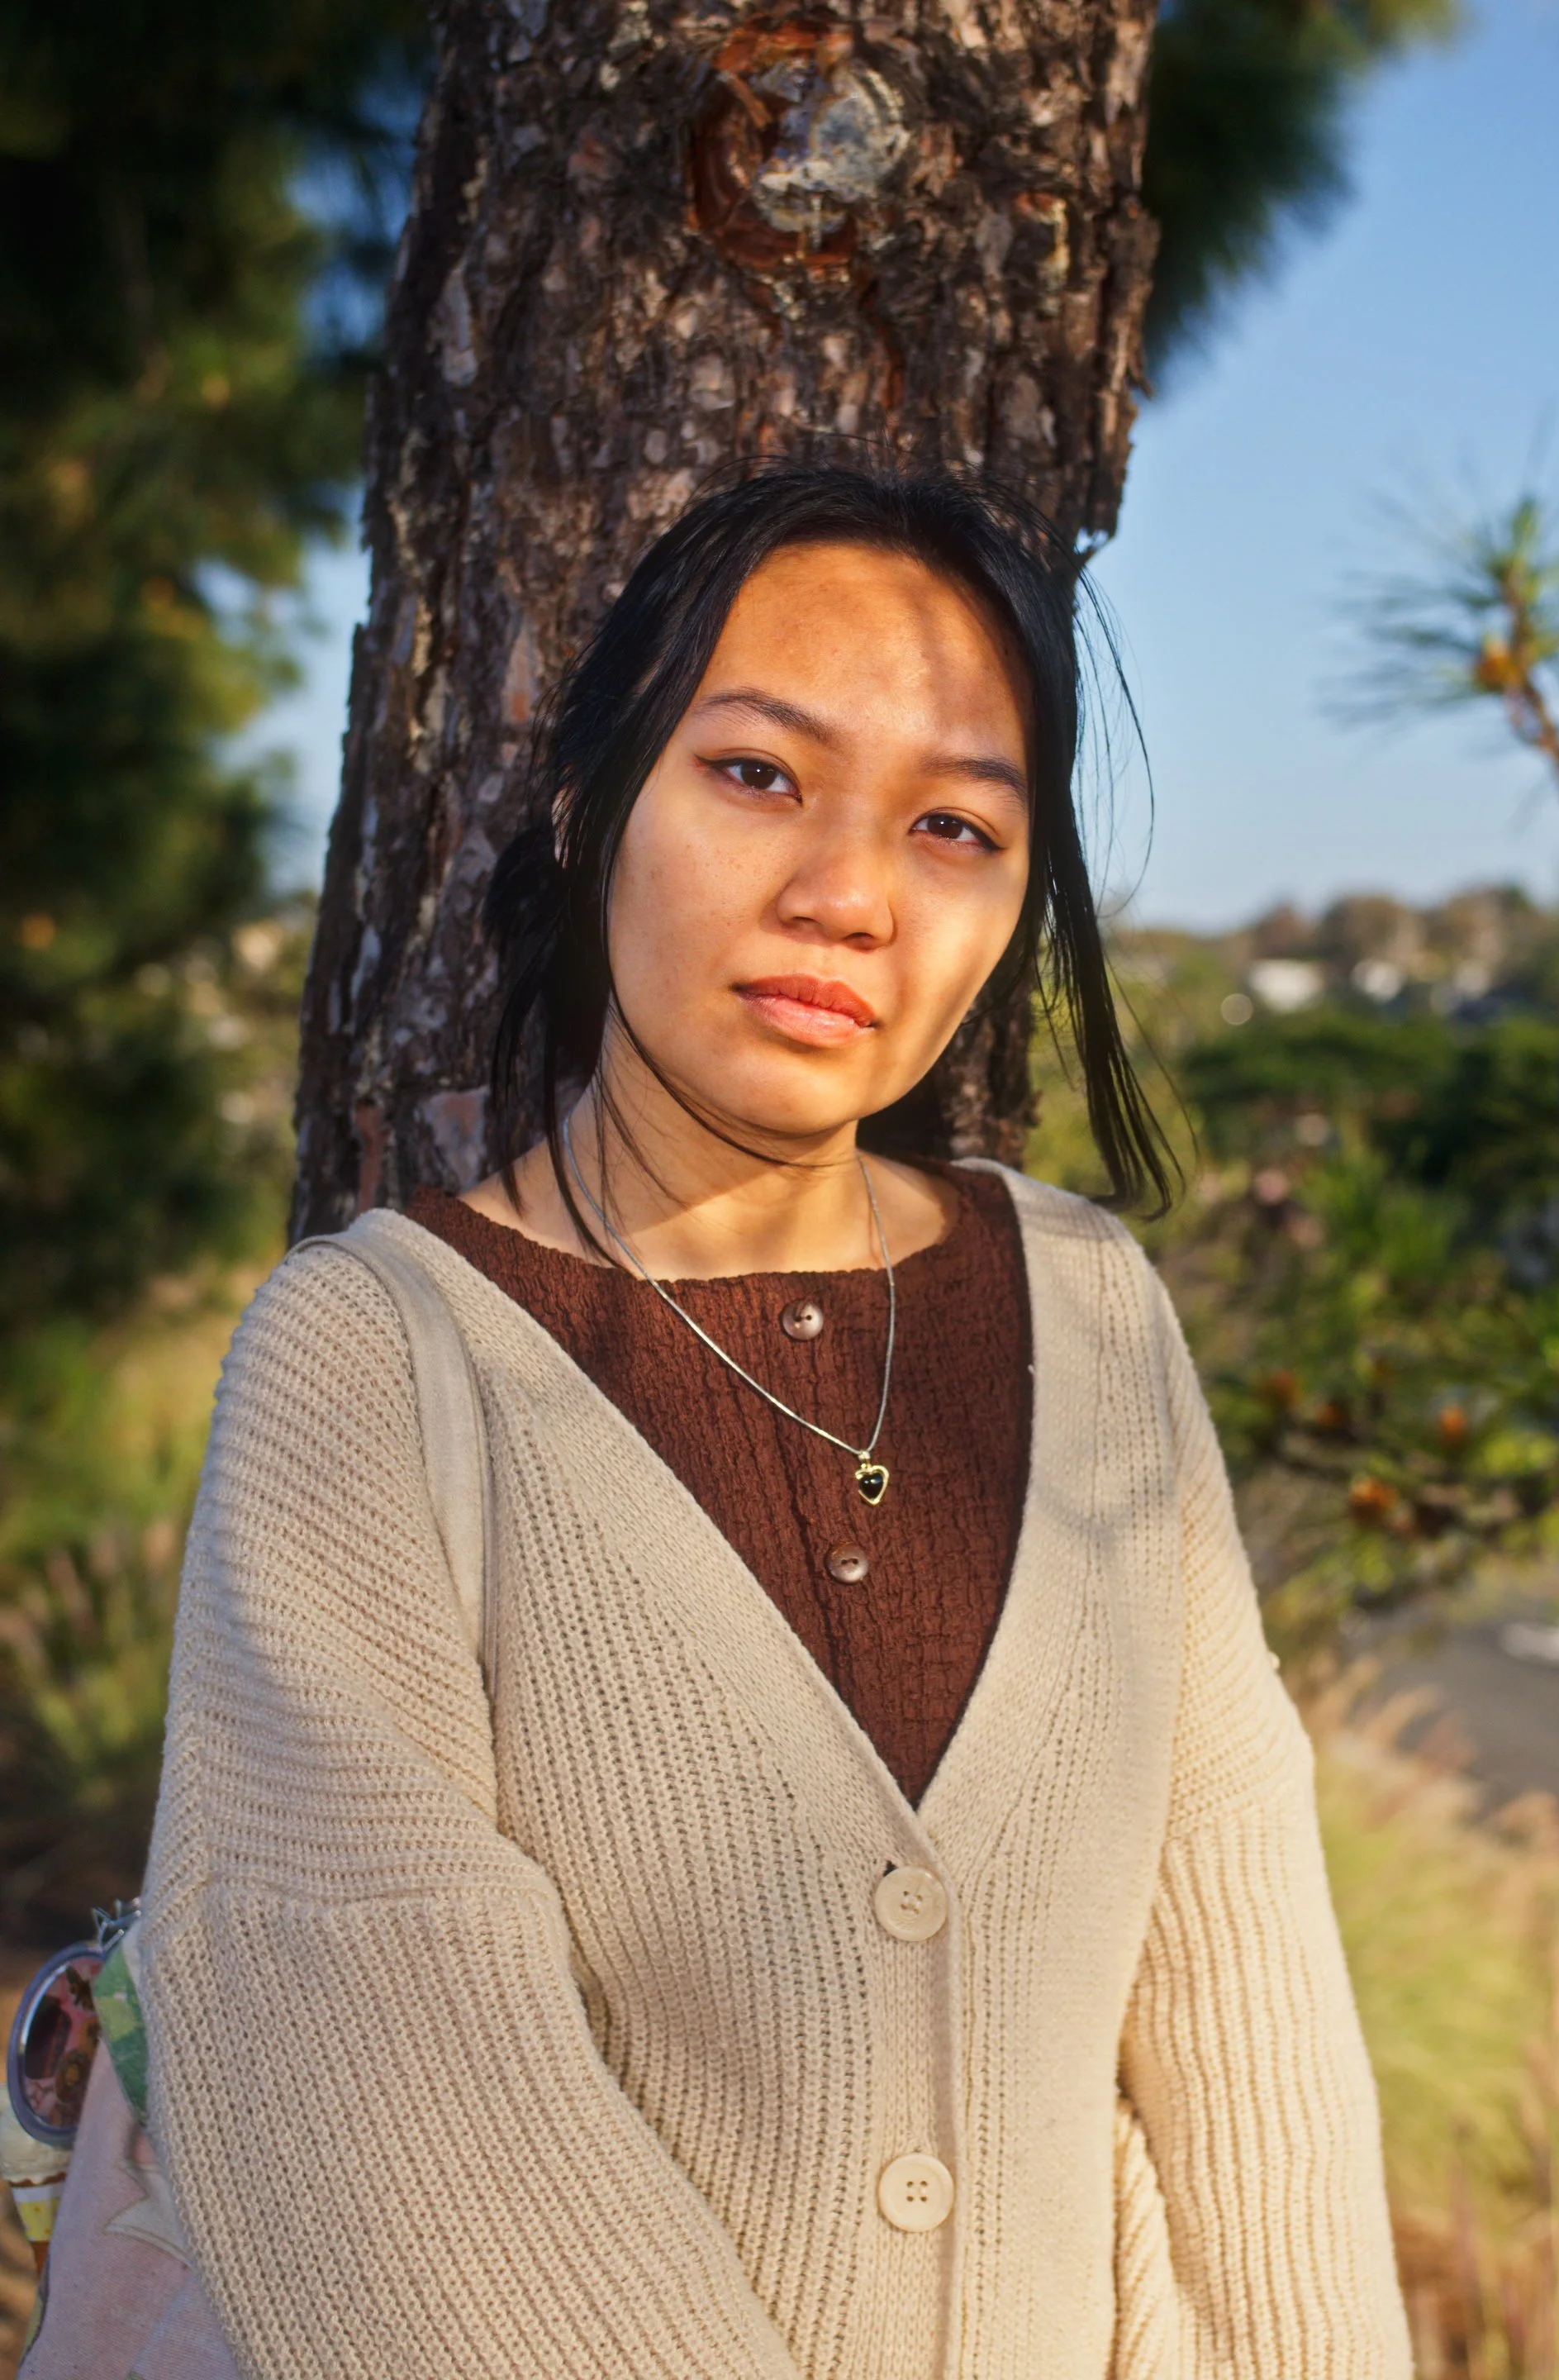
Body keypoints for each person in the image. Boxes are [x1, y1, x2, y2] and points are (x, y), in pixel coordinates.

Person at [140, 464, 1410, 2378]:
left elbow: (1250, 2027)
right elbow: (406, 2123)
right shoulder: (376, 1372)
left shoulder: (1094, 1318)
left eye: (956, 825)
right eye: (756, 775)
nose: (850, 893)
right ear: (588, 809)